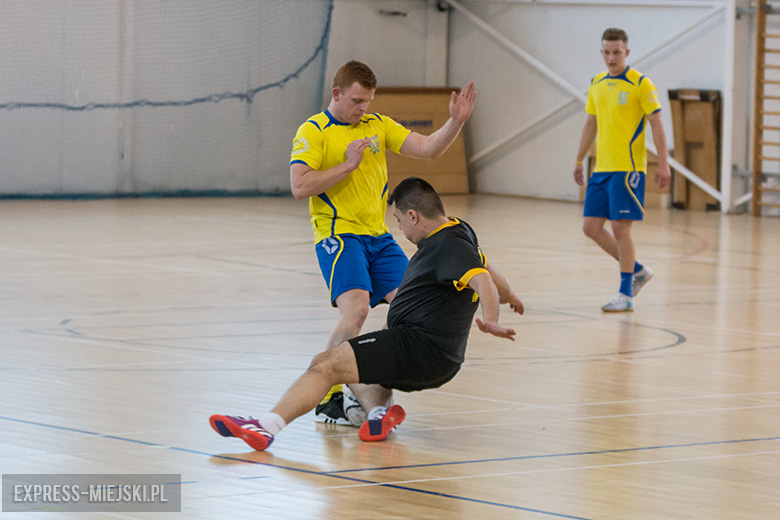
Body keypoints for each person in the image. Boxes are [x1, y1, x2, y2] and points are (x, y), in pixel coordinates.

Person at [209, 177, 524, 451]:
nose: (399, 228)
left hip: (416, 348)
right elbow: (487, 268)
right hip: (438, 358)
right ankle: (378, 415)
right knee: (354, 363)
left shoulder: (447, 246)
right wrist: (509, 295)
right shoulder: (460, 230)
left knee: (324, 364)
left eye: (399, 220)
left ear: (414, 216)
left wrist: (492, 317)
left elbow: (481, 279)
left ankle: (265, 426)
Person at [288, 60, 477, 425]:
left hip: (379, 236)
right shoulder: (314, 131)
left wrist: (456, 121)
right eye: (358, 101)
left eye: (368, 102)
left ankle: (373, 389)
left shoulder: (377, 125)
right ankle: (330, 394)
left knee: (412, 310)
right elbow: (299, 187)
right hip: (339, 235)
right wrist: (346, 165)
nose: (364, 109)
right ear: (337, 93)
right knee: (357, 310)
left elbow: (428, 149)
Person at [573, 28, 671, 312]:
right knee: (590, 228)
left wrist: (663, 163)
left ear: (627, 52)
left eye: (617, 52)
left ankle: (626, 293)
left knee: (619, 228)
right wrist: (579, 159)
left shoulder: (641, 84)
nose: (611, 57)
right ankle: (637, 270)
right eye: (606, 52)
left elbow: (657, 125)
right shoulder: (597, 83)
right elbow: (591, 123)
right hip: (601, 169)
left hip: (627, 169)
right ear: (601, 52)